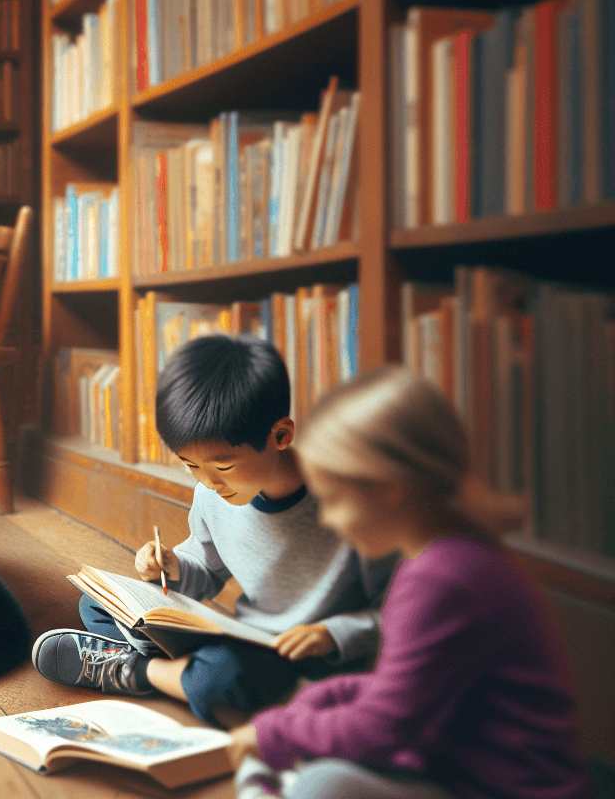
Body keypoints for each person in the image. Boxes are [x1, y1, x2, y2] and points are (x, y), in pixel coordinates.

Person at [228, 366, 589, 799]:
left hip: (502, 789)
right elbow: (406, 687)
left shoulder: (444, 578)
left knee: (320, 786)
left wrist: (275, 731)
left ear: (388, 486)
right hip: (458, 768)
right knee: (321, 761)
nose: (326, 519)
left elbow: (383, 728)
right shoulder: (450, 557)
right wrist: (327, 696)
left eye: (335, 500)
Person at [29, 334, 395, 726]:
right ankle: (183, 674)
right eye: (191, 465)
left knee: (221, 676)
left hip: (306, 655)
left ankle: (137, 672)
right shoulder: (211, 493)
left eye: (222, 467)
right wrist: (169, 568)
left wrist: (333, 633)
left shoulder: (350, 504)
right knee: (97, 602)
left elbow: (393, 611)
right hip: (243, 635)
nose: (208, 483)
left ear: (281, 435)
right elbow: (204, 572)